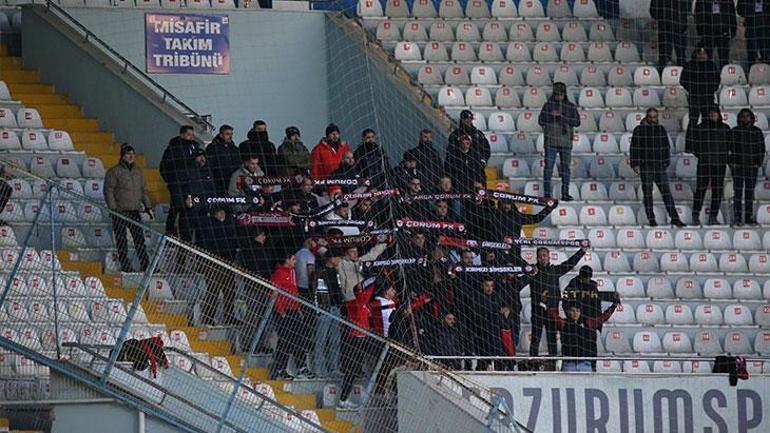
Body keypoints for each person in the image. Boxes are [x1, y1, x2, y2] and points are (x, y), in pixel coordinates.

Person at [528, 246, 587, 367]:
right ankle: (531, 364)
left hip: (552, 312)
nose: (542, 257)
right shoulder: (532, 271)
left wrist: (581, 252)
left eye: (545, 255)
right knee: (535, 339)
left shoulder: (555, 270)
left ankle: (552, 363)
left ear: (549, 257)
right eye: (540, 255)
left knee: (552, 340)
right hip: (537, 311)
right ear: (537, 257)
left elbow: (569, 264)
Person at [630, 108, 686, 227]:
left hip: (659, 166)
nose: (653, 119)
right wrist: (635, 164)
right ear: (647, 117)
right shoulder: (639, 130)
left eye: (655, 117)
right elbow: (634, 148)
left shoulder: (661, 129)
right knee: (648, 195)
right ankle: (651, 219)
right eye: (651, 117)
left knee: (667, 193)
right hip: (646, 167)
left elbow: (666, 146)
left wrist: (666, 162)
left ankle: (675, 218)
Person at [103, 144, 152, 273]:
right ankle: (125, 264)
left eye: (133, 154)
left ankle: (145, 264)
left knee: (139, 240)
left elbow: (143, 190)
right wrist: (113, 209)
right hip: (120, 210)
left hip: (134, 210)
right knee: (121, 241)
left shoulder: (138, 171)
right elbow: (108, 191)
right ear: (123, 155)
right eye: (128, 154)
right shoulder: (114, 171)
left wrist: (147, 206)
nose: (131, 156)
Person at [547, 295, 619, 372]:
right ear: (568, 312)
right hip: (568, 363)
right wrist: (547, 302)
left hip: (585, 364)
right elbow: (552, 316)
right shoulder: (564, 323)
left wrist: (614, 305)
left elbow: (602, 318)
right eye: (573, 311)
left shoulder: (587, 323)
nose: (575, 313)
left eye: (577, 311)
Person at [687, 105, 731, 225]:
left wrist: (724, 158)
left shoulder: (725, 128)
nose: (712, 114)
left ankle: (713, 217)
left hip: (720, 164)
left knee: (717, 192)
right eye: (710, 113)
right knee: (700, 190)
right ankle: (695, 216)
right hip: (704, 164)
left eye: (714, 112)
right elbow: (694, 146)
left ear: (718, 114)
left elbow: (730, 146)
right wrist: (703, 156)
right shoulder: (700, 128)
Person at [538, 82, 580, 201]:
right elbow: (541, 121)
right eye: (557, 94)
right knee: (548, 168)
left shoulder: (571, 106)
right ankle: (547, 194)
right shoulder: (548, 105)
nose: (559, 97)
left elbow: (577, 122)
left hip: (566, 142)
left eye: (561, 94)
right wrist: (552, 116)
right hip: (551, 141)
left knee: (565, 169)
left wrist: (563, 117)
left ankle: (565, 193)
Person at [198, 205, 238, 325]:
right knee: (213, 291)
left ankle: (230, 316)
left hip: (228, 263)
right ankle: (208, 318)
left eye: (223, 212)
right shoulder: (209, 226)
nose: (222, 214)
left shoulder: (228, 225)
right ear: (214, 214)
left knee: (230, 291)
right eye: (219, 212)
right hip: (214, 263)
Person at [159, 125, 200, 241]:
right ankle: (170, 231)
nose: (191, 137)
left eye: (192, 135)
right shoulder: (173, 148)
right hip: (177, 184)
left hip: (190, 183)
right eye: (188, 135)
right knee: (176, 207)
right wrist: (172, 181)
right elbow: (164, 167)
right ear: (182, 134)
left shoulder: (195, 147)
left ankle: (184, 236)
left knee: (187, 209)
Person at [269, 253, 304, 380]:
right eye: (293, 259)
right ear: (287, 260)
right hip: (284, 312)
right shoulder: (279, 273)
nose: (295, 261)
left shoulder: (292, 272)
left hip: (293, 309)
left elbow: (294, 291)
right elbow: (274, 293)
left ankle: (301, 367)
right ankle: (279, 368)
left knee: (298, 339)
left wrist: (298, 307)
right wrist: (281, 311)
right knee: (285, 340)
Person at [730, 109, 766, 225]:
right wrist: (732, 163)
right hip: (738, 167)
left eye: (748, 116)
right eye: (743, 116)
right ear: (739, 118)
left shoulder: (757, 132)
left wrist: (758, 163)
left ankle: (748, 217)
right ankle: (737, 217)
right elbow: (728, 149)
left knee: (750, 193)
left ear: (752, 118)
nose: (745, 118)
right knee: (738, 193)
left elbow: (761, 149)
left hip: (752, 167)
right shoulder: (734, 131)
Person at [314, 248, 344, 378]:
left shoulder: (336, 272)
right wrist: (319, 310)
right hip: (325, 309)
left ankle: (334, 368)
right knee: (321, 340)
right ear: (331, 258)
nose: (339, 260)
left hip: (335, 308)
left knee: (335, 340)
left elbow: (339, 289)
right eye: (337, 257)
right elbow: (318, 294)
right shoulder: (321, 273)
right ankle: (319, 368)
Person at [294, 238, 318, 377]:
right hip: (306, 289)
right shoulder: (309, 255)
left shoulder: (297, 254)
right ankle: (308, 343)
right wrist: (312, 289)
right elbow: (311, 273)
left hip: (298, 289)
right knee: (308, 322)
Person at [182, 148, 217, 243]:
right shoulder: (187, 170)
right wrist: (186, 199)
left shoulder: (208, 171)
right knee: (186, 239)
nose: (202, 158)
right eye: (199, 156)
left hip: (203, 210)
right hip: (189, 210)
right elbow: (182, 188)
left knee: (202, 239)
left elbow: (212, 189)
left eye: (203, 156)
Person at [681, 47, 721, 126]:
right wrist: (692, 90)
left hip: (708, 97)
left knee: (707, 119)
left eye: (704, 54)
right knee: (693, 119)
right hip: (694, 98)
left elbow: (717, 79)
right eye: (699, 54)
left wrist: (711, 89)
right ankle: (691, 137)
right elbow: (683, 80)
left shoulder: (711, 65)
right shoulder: (689, 65)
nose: (702, 56)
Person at [649, 0, 691, 69]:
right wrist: (662, 18)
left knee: (681, 55)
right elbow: (653, 9)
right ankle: (663, 75)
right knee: (664, 56)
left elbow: (688, 7)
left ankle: (682, 75)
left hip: (680, 28)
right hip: (665, 28)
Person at [694, 0, 736, 67]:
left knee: (724, 57)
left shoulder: (728, 1)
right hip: (708, 30)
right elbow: (698, 13)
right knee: (707, 56)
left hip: (723, 30)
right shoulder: (702, 1)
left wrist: (733, 29)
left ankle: (723, 74)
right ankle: (707, 73)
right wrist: (700, 31)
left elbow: (732, 14)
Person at [206, 125, 241, 195]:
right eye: (227, 134)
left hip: (233, 182)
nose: (230, 136)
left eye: (231, 134)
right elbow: (209, 165)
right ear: (221, 135)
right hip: (219, 183)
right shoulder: (212, 148)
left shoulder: (234, 148)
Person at [738, 0, 770, 64]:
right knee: (751, 55)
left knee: (765, 55)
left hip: (765, 29)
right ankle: (752, 71)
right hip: (751, 28)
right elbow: (740, 10)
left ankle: (766, 72)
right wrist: (748, 14)